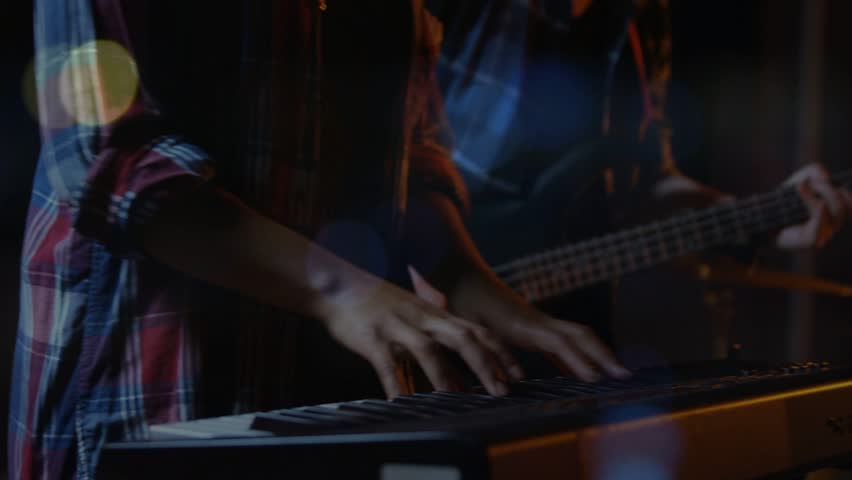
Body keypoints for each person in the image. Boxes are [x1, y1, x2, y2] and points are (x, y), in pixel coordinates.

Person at [9, 1, 630, 478]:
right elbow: (104, 158)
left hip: (327, 396)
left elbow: (414, 152)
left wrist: (471, 285)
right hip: (154, 385)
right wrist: (336, 288)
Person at [430, 0, 852, 358]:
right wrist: (437, 275)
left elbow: (645, 185)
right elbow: (387, 165)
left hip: (550, 341)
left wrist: (755, 220)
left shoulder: (642, 16)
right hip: (429, 318)